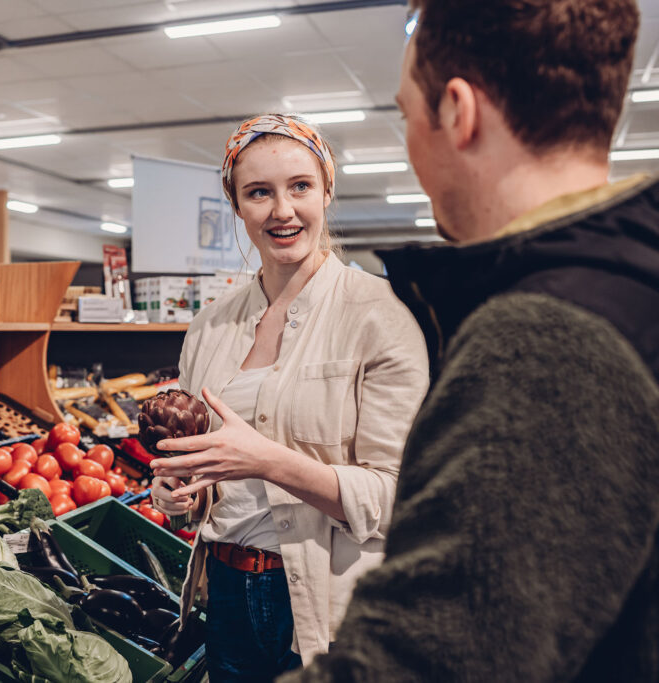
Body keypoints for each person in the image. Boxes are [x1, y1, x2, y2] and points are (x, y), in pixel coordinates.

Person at [282, 1, 659, 681]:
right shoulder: (631, 279)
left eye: (406, 112)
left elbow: (427, 662)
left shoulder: (544, 343)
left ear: (458, 111)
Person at [149, 114, 430, 681]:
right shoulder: (208, 327)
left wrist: (267, 461)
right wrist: (177, 492)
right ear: (236, 205)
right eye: (259, 192)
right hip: (224, 594)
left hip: (328, 605)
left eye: (300, 186)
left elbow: (401, 497)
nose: (283, 210)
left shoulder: (381, 315)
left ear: (327, 191)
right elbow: (207, 474)